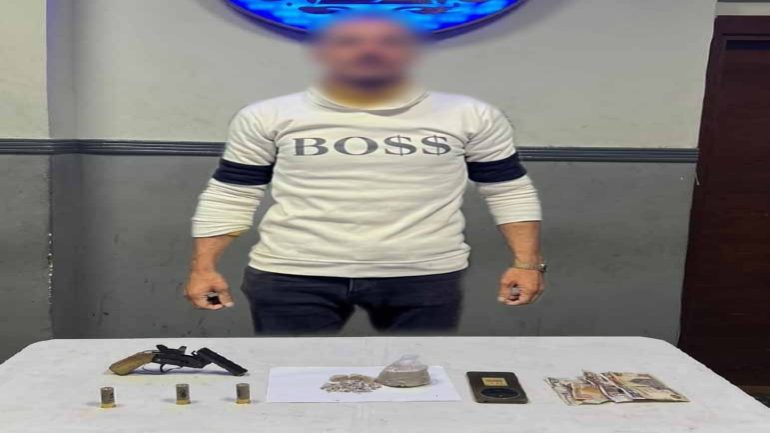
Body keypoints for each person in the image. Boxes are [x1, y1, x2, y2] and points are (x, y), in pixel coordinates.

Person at [184, 12, 544, 334]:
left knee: (420, 379)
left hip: (424, 274)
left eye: (389, 42)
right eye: (349, 41)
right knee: (293, 378)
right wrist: (203, 267)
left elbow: (507, 189)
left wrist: (527, 264)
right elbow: (233, 192)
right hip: (292, 272)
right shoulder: (267, 116)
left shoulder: (470, 115)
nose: (370, 51)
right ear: (323, 52)